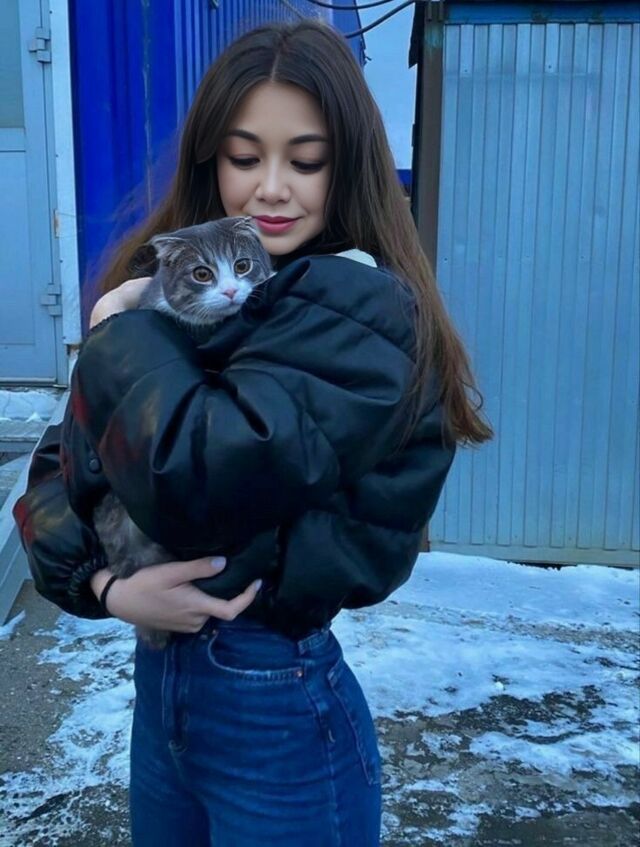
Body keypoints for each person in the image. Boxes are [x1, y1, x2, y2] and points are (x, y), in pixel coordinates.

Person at [13, 19, 491, 847]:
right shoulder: (189, 292)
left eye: (305, 161)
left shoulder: (359, 307)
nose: (272, 188)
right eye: (244, 157)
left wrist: (117, 332)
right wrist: (107, 588)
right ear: (212, 162)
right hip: (164, 690)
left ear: (348, 167)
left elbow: (200, 479)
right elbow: (58, 472)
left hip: (273, 700)